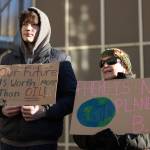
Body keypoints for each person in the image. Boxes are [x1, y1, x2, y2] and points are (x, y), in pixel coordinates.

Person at [0, 7, 77, 150]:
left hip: (42, 144)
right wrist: (2, 109)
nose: (28, 28)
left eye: (34, 24)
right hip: (7, 143)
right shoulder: (7, 59)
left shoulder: (60, 59)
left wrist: (44, 111)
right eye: (24, 24)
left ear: (44, 29)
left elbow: (71, 97)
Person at [73, 48, 150, 150]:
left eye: (111, 61)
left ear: (125, 66)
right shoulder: (94, 96)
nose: (105, 65)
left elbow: (141, 140)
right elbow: (80, 138)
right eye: (102, 63)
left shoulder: (140, 92)